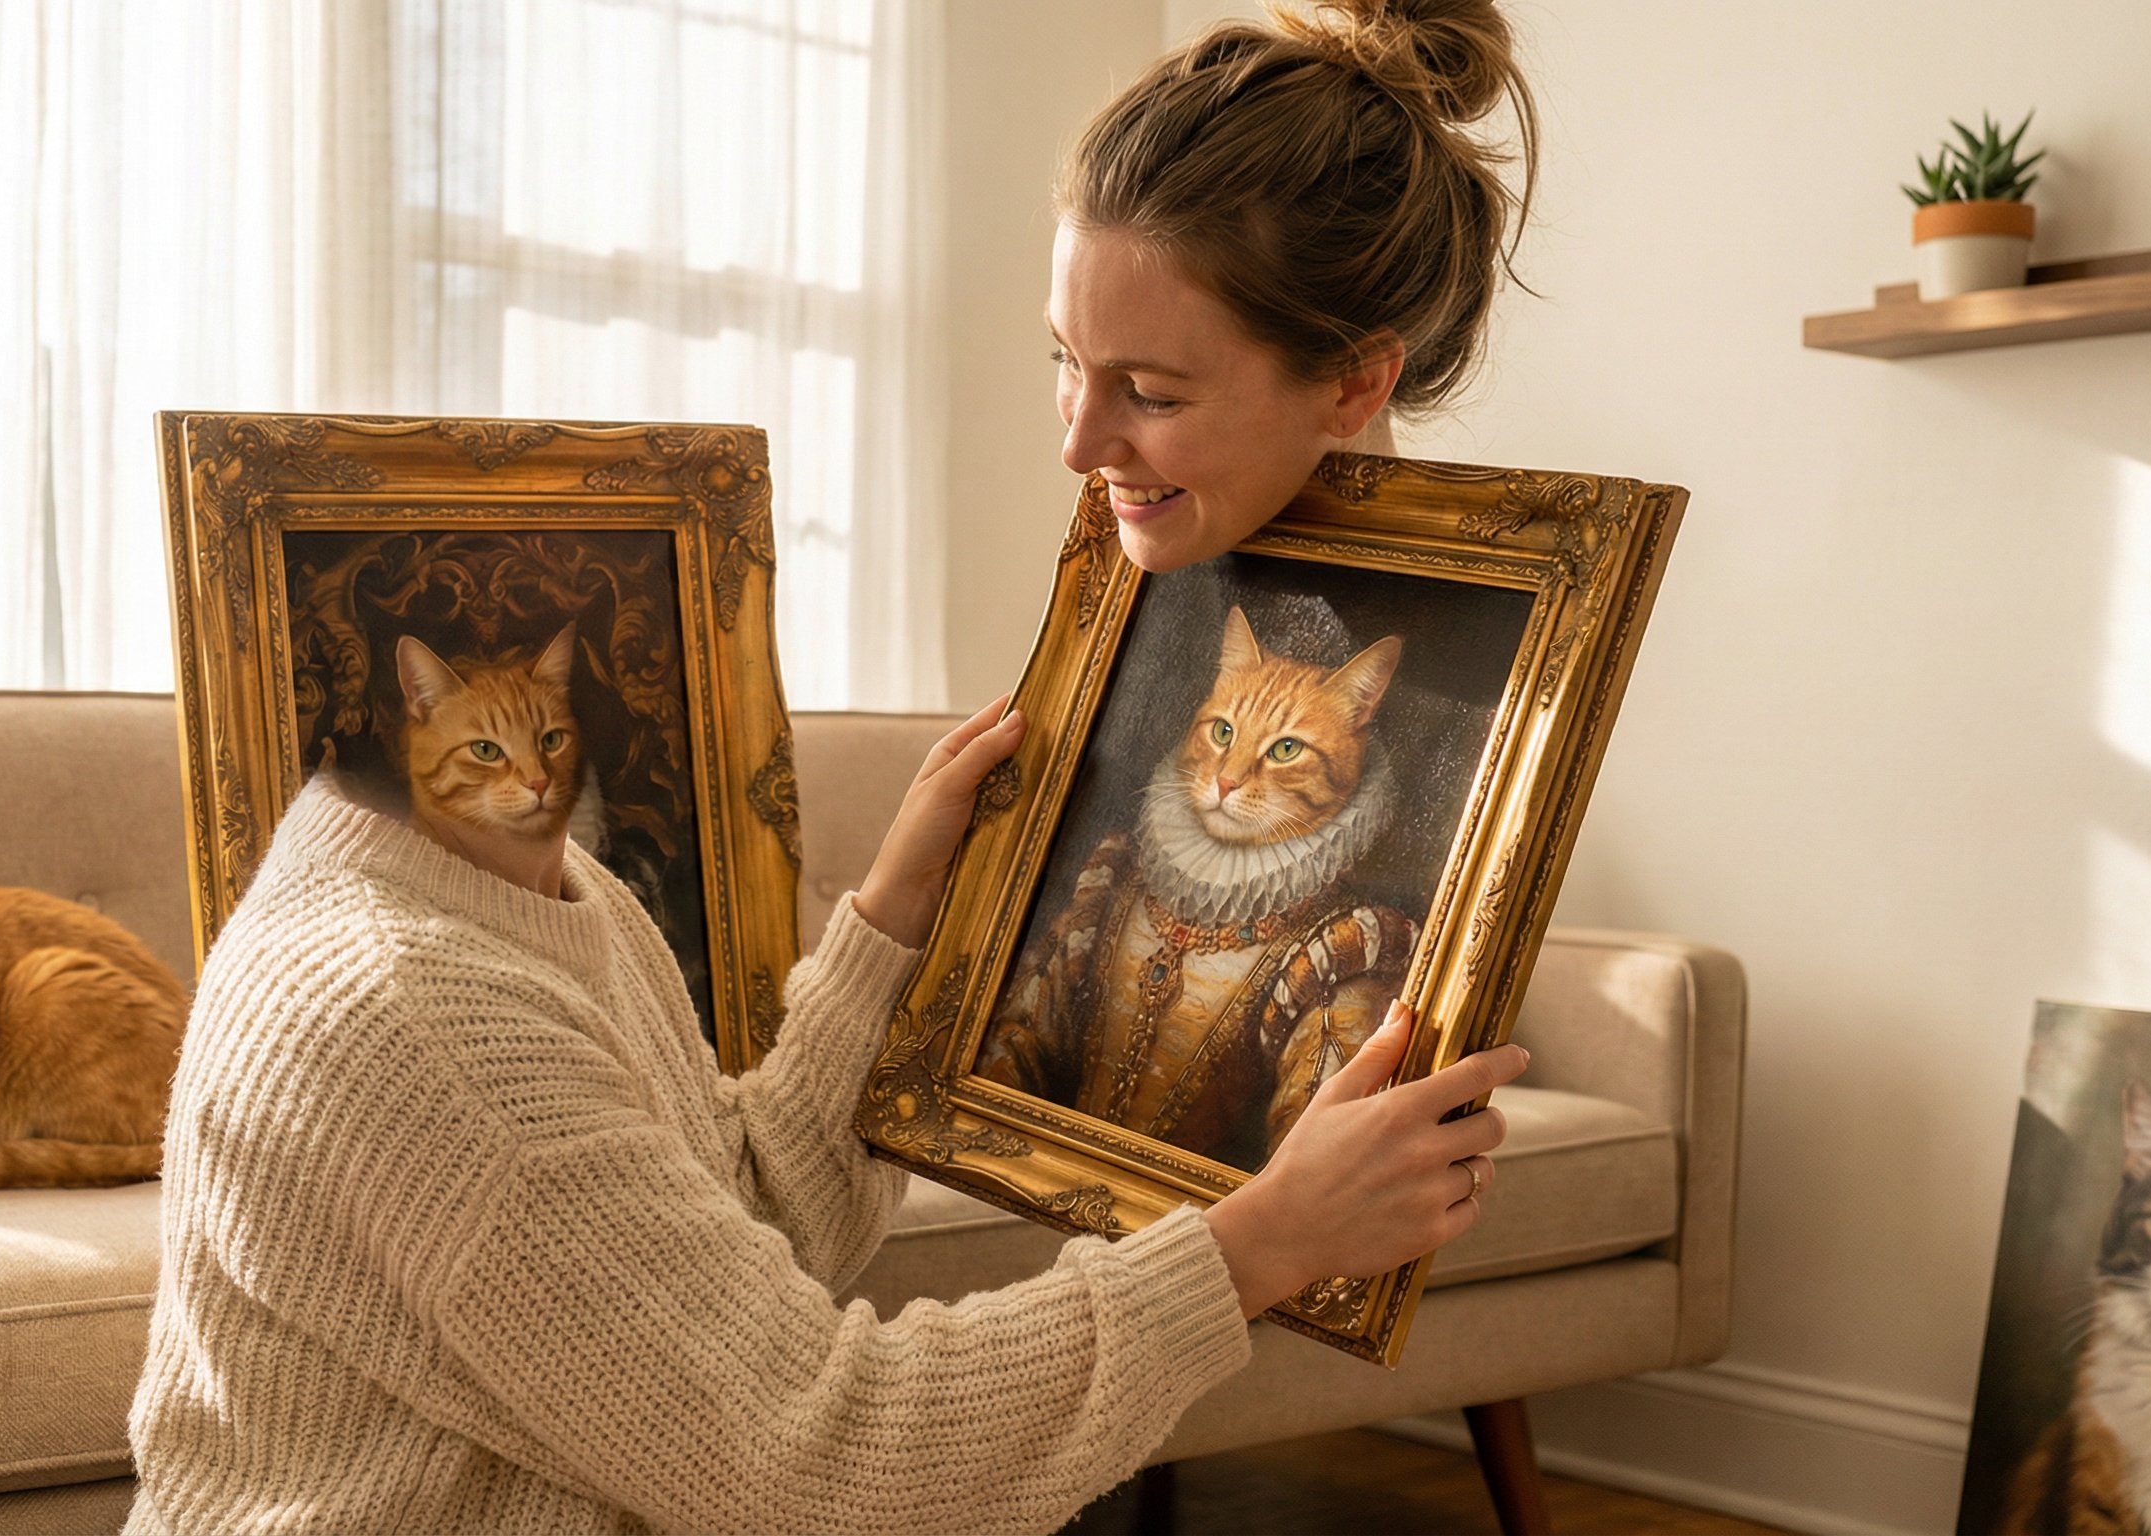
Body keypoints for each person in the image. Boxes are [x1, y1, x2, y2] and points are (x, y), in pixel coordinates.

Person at [123, 2, 1539, 1531]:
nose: (1078, 445)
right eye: (1067, 365)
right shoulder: (423, 1008)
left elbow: (726, 1227)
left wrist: (892, 921)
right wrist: (1258, 1246)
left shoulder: (530, 891)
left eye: (1148, 388)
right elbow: (822, 1454)